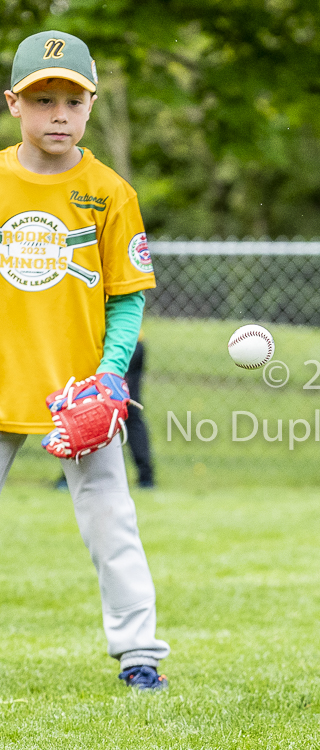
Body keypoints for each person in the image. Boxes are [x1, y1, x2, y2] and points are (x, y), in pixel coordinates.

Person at [0, 31, 169, 690]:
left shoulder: (109, 192)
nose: (59, 114)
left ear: (92, 104)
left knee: (111, 522)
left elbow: (127, 300)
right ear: (14, 103)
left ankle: (139, 654)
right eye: (43, 100)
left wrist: (110, 375)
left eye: (72, 99)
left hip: (81, 394)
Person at [54, 331, 155, 491]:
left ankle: (145, 477)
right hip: (128, 342)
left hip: (108, 346)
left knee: (89, 411)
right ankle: (146, 477)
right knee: (121, 412)